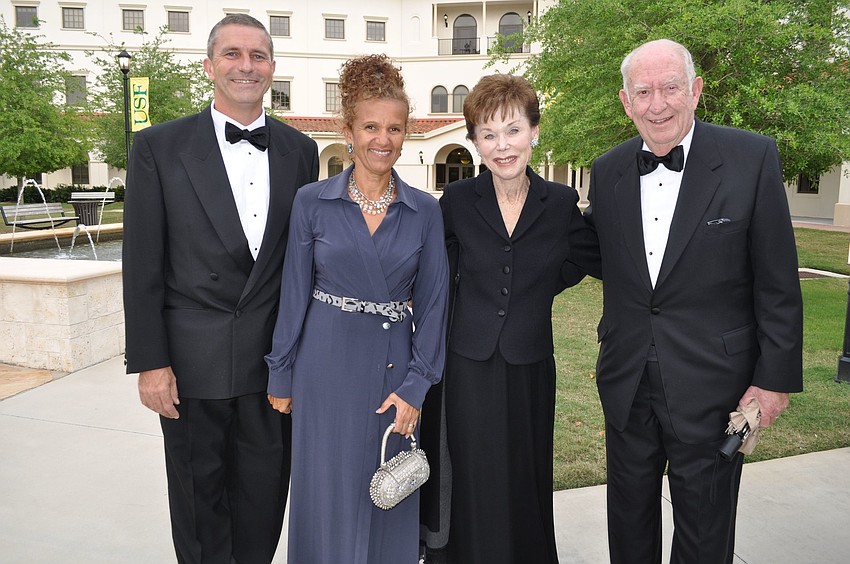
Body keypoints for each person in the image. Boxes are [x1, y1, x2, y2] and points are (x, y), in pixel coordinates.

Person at [584, 39, 803, 563]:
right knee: (628, 525)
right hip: (627, 380)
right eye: (643, 91)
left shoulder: (752, 157)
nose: (657, 103)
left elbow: (777, 282)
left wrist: (772, 382)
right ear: (625, 101)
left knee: (705, 532)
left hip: (716, 385)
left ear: (696, 91)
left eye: (670, 87)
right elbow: (591, 254)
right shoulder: (609, 169)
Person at [122, 14, 318, 564]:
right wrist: (151, 363)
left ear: (273, 68)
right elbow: (141, 265)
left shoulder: (300, 151)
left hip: (272, 365)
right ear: (209, 66)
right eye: (232, 54)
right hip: (190, 367)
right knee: (198, 509)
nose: (246, 66)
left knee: (262, 503)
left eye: (258, 56)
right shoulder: (158, 147)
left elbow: (305, 263)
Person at [264, 54, 449, 564]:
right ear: (348, 129)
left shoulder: (424, 210)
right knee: (325, 492)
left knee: (385, 491)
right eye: (370, 126)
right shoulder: (311, 202)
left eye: (394, 128)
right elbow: (294, 293)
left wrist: (416, 386)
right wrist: (280, 373)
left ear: (406, 133)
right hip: (322, 368)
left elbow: (434, 306)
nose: (382, 140)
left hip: (393, 373)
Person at [419, 74, 600, 564]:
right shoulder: (456, 203)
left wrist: (547, 281)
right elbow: (429, 271)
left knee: (525, 472)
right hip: (467, 365)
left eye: (513, 130)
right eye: (488, 134)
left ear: (535, 132)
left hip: (529, 365)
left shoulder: (560, 204)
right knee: (472, 473)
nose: (502, 146)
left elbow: (593, 257)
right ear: (474, 141)